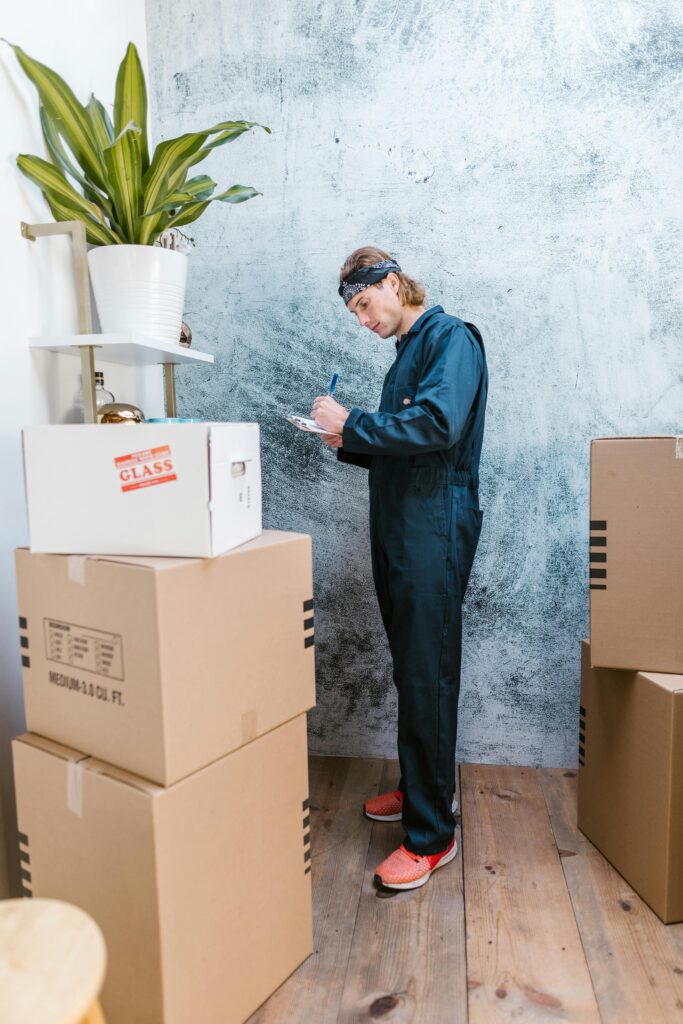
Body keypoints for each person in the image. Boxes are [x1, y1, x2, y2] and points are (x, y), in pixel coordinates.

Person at [311, 247, 488, 891]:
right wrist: (347, 439)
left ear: (391, 283)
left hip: (431, 532)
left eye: (363, 304)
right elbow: (402, 441)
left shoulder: (451, 338)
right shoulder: (407, 353)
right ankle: (423, 791)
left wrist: (354, 421)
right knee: (413, 668)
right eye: (354, 313)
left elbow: (438, 426)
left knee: (427, 676)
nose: (362, 320)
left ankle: (431, 835)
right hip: (400, 530)